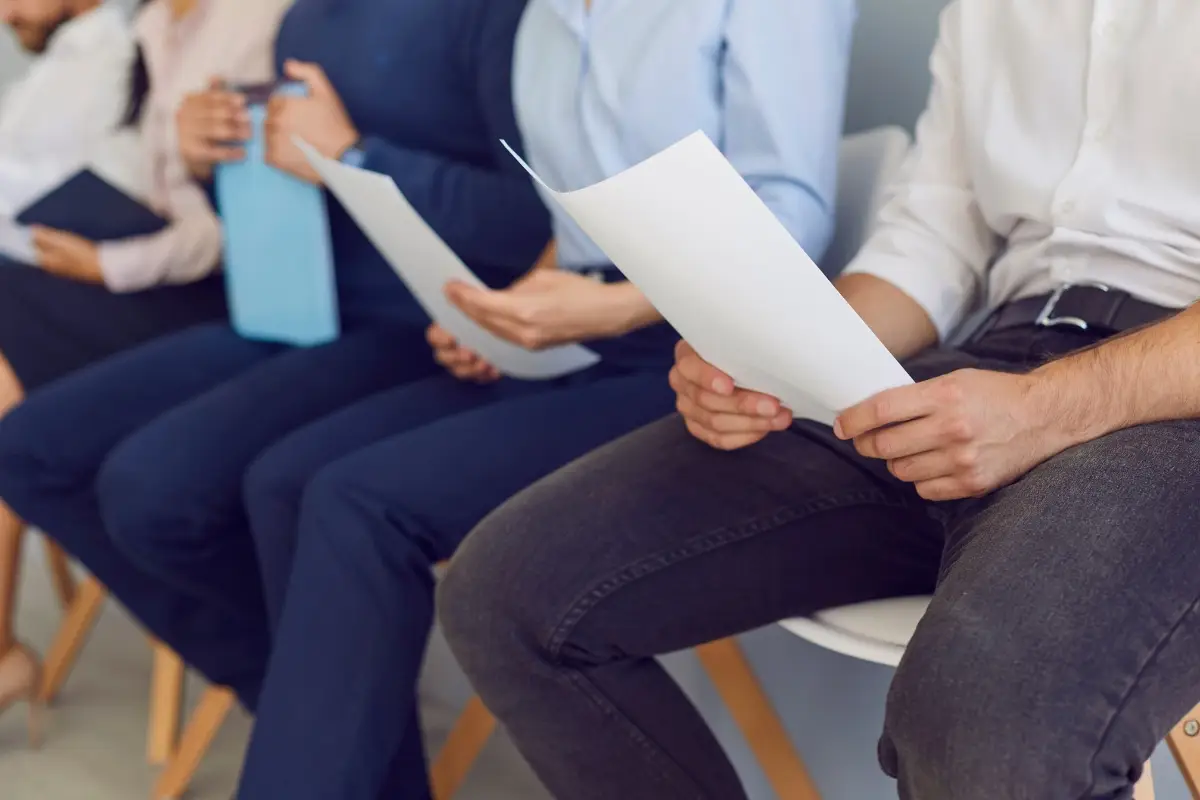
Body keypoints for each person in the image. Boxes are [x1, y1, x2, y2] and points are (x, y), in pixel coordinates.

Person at [438, 1, 1200, 799]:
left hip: (1167, 402)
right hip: (988, 365)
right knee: (512, 592)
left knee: (988, 729)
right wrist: (767, 352)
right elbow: (934, 234)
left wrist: (1045, 409)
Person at [224, 0, 852, 797]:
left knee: (359, 503)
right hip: (581, 325)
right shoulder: (544, 13)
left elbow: (792, 212)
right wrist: (513, 310)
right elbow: (568, 212)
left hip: (709, 357)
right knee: (288, 481)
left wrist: (619, 303)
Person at [0, 0, 550, 775]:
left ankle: (326, 727)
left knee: (174, 487)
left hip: (438, 330)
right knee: (31, 447)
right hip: (300, 311)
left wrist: (358, 156)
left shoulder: (496, 16)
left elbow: (533, 223)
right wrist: (206, 160)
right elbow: (278, 215)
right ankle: (317, 709)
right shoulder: (304, 22)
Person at [0, 0, 286, 739]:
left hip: (204, 296)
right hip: (156, 275)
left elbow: (238, 227)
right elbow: (180, 202)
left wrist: (111, 263)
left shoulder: (254, 21)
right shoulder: (159, 28)